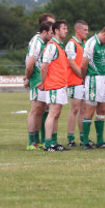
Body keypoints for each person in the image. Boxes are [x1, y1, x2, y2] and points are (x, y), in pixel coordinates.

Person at [39, 20, 76, 151]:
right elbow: (44, 66)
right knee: (52, 113)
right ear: (56, 31)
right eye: (64, 28)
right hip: (54, 84)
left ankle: (53, 142)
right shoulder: (52, 46)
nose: (66, 31)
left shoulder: (59, 46)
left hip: (60, 84)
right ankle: (47, 143)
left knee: (56, 113)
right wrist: (43, 83)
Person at [80, 24, 105, 149]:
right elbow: (83, 65)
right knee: (90, 110)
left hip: (102, 79)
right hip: (92, 79)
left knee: (102, 109)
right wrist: (84, 79)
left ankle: (100, 141)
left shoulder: (102, 45)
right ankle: (85, 141)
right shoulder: (91, 43)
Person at [24, 20, 54, 150]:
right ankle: (31, 142)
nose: (53, 35)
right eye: (51, 33)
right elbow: (30, 64)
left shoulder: (43, 43)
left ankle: (37, 140)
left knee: (41, 110)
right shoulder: (37, 42)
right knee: (35, 110)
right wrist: (29, 79)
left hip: (43, 80)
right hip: (36, 79)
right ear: (44, 32)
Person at [65, 20, 89, 147]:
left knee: (84, 109)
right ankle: (70, 137)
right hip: (75, 81)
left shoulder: (84, 44)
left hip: (84, 81)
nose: (87, 32)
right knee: (74, 109)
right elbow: (71, 62)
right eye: (85, 30)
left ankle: (83, 137)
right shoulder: (71, 44)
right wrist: (81, 75)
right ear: (78, 30)